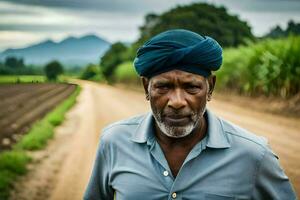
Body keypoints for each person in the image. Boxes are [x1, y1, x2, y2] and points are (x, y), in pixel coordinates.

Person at [84, 29, 296, 200]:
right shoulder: (114, 142)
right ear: (146, 87)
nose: (177, 102)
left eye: (191, 87)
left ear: (210, 88)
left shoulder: (253, 156)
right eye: (163, 87)